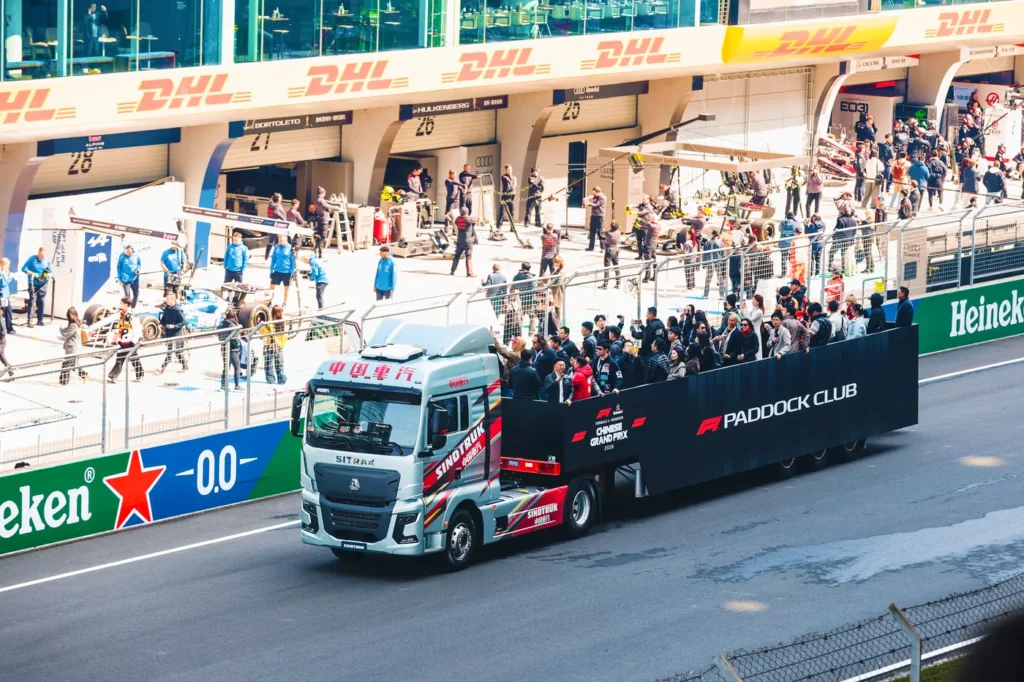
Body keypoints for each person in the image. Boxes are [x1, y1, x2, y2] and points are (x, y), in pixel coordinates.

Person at [107, 297, 144, 383]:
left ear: (126, 305)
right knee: (119, 359)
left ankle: (140, 375)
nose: (120, 305)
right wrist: (118, 339)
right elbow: (121, 327)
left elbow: (137, 329)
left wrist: (133, 341)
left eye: (121, 303)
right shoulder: (121, 314)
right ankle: (113, 376)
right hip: (123, 341)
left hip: (130, 342)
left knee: (134, 359)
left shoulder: (132, 315)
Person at [153, 290, 188, 375]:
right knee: (170, 351)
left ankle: (164, 368)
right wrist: (161, 324)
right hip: (169, 333)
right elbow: (164, 318)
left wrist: (174, 326)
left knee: (177, 351)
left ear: (173, 300)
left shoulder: (178, 309)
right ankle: (183, 366)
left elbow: (183, 321)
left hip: (176, 333)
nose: (167, 301)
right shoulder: (167, 308)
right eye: (166, 299)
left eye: (168, 299)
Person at [20, 247, 52, 327]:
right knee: (32, 301)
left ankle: (40, 320)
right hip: (33, 283)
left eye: (42, 256)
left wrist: (49, 274)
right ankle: (30, 320)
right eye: (40, 255)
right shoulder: (32, 259)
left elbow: (51, 272)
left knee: (41, 301)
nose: (41, 257)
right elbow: (24, 268)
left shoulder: (47, 262)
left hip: (43, 284)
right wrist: (30, 272)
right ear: (38, 253)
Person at [58, 307, 88, 384]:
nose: (71, 316)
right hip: (74, 347)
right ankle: (85, 375)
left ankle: (63, 382)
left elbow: (66, 335)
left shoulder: (73, 324)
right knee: (72, 365)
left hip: (72, 348)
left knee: (66, 365)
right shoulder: (76, 322)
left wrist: (61, 330)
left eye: (72, 314)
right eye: (70, 315)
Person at [259, 305, 287, 385]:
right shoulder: (283, 322)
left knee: (268, 364)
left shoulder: (269, 323)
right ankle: (281, 379)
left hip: (269, 345)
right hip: (279, 345)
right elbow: (284, 334)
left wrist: (261, 326)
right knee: (279, 363)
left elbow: (264, 333)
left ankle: (270, 379)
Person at [218, 308, 242, 390]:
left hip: (224, 348)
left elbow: (220, 337)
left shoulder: (222, 324)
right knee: (237, 367)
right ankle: (237, 385)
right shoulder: (233, 326)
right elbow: (235, 339)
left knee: (226, 367)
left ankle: (223, 385)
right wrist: (238, 345)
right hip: (233, 349)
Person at [269, 233, 295, 307]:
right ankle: (269, 301)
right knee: (271, 287)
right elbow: (273, 260)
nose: (280, 242)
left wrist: (293, 273)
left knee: (286, 289)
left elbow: (293, 262)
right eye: (279, 240)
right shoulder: (276, 247)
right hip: (277, 271)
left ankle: (285, 303)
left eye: (282, 240)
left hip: (287, 272)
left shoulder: (290, 248)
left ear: (286, 240)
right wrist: (271, 271)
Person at [450, 208, 475, 277]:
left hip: (460, 240)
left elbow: (455, 222)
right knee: (468, 256)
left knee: (456, 256)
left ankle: (452, 271)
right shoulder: (469, 219)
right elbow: (475, 220)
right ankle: (469, 273)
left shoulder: (458, 219)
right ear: (467, 212)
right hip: (468, 241)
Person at [116, 244, 142, 309]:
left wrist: (138, 269)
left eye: (129, 252)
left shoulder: (137, 255)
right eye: (127, 252)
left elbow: (139, 264)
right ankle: (127, 308)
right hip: (125, 278)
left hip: (135, 278)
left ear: (132, 250)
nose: (128, 254)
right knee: (127, 296)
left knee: (136, 293)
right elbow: (118, 267)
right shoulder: (122, 255)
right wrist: (119, 278)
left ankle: (133, 307)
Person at [266, 193, 288, 259]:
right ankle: (276, 257)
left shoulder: (270, 205)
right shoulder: (278, 207)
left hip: (271, 225)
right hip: (278, 226)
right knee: (277, 243)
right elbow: (284, 217)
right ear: (279, 199)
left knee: (270, 242)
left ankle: (266, 257)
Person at [496, 164, 517, 230]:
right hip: (505, 196)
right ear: (506, 170)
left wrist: (513, 188)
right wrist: (511, 187)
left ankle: (512, 227)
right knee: (502, 211)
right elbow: (508, 185)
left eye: (510, 169)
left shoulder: (514, 177)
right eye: (508, 170)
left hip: (511, 196)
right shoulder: (504, 176)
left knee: (512, 211)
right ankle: (499, 225)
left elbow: (515, 185)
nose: (510, 171)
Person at [587, 186, 607, 251]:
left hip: (600, 216)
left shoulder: (602, 197)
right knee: (592, 232)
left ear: (597, 191)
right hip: (593, 215)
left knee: (600, 232)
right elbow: (591, 196)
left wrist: (588, 203)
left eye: (594, 192)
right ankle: (591, 247)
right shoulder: (595, 196)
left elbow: (597, 205)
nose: (593, 193)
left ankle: (602, 248)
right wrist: (586, 198)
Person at [0, 258, 13, 334]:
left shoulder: (5, 272)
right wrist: (10, 277)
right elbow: (3, 284)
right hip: (2, 295)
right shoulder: (1, 273)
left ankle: (9, 328)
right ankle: (3, 329)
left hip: (6, 295)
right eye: (7, 265)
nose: (8, 267)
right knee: (2, 313)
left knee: (8, 311)